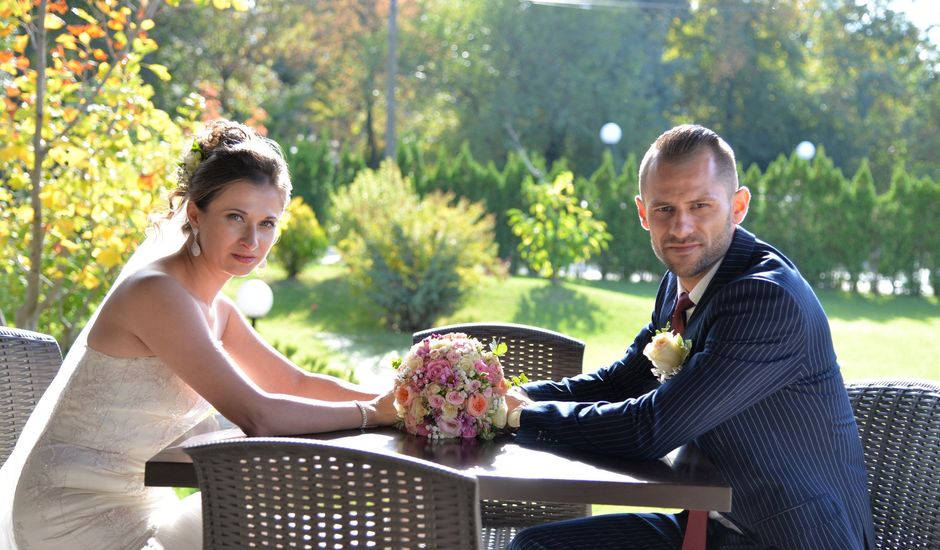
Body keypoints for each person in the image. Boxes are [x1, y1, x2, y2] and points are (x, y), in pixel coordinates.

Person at [3, 119, 397, 550]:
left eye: (268, 222)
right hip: (72, 513)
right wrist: (371, 413)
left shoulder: (218, 310)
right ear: (195, 213)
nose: (253, 239)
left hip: (143, 502)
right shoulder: (157, 294)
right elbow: (258, 415)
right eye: (235, 217)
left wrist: (400, 401)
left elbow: (294, 383)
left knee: (284, 527)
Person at [504, 124, 874, 549]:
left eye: (700, 206)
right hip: (714, 528)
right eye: (665, 209)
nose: (681, 228)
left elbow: (652, 428)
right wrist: (510, 399)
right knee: (538, 547)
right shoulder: (682, 279)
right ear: (643, 213)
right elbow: (622, 382)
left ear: (738, 206)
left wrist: (521, 418)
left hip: (789, 537)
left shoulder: (765, 299)